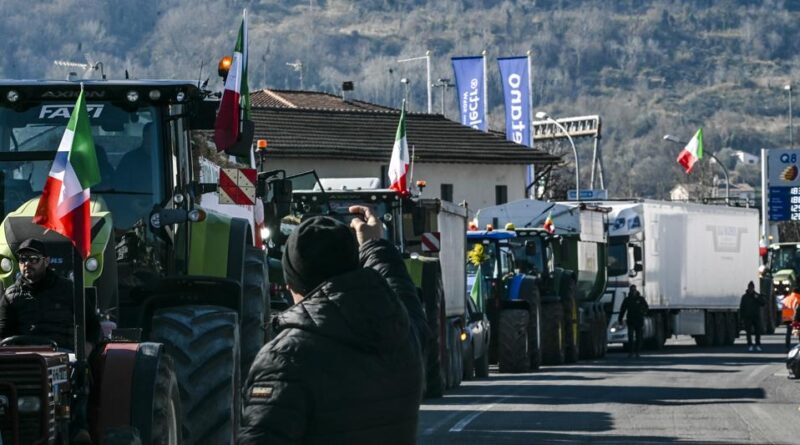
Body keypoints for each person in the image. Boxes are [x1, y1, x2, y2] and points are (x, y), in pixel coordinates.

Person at [239, 205, 427, 444]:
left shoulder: (284, 359)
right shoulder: (401, 334)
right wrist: (374, 245)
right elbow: (404, 295)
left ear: (292, 284)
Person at [0, 238, 101, 351]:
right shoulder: (10, 296)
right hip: (25, 357)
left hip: (64, 354)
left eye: (33, 259)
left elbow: (94, 327)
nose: (27, 264)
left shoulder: (68, 289)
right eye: (23, 259)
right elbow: (3, 335)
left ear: (46, 261)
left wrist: (87, 348)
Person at [618, 284, 649, 358]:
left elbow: (646, 307)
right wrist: (620, 319)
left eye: (634, 290)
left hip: (639, 320)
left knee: (639, 337)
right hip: (631, 320)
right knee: (630, 337)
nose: (633, 292)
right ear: (630, 291)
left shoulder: (641, 299)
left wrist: (643, 312)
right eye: (632, 290)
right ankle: (631, 352)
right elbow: (623, 309)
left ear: (636, 290)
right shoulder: (627, 300)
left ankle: (637, 352)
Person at [739, 281, 765, 352]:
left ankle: (758, 345)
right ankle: (750, 345)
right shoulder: (744, 297)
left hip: (756, 316)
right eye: (750, 288)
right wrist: (741, 318)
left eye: (752, 288)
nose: (751, 289)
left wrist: (758, 298)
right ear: (748, 288)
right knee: (748, 332)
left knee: (757, 332)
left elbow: (763, 303)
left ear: (753, 288)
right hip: (747, 317)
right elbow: (742, 307)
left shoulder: (756, 295)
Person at [781, 281, 800, 350]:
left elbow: (782, 307)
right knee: (798, 333)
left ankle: (787, 347)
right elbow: (797, 309)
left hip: (786, 318)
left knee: (788, 333)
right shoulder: (798, 299)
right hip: (795, 318)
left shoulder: (787, 298)